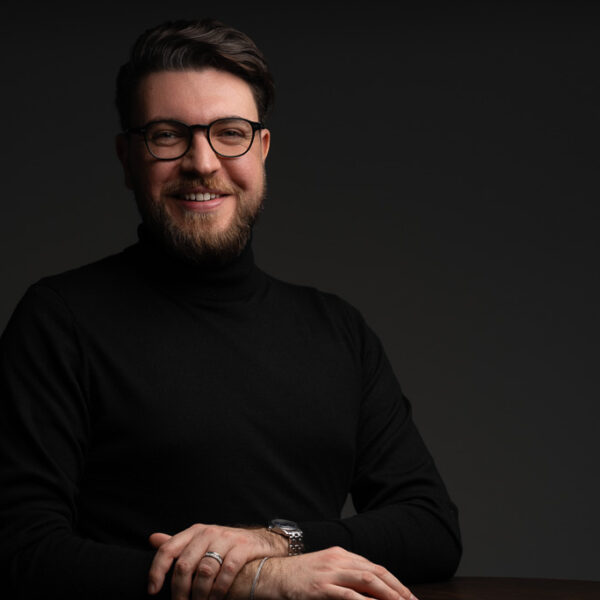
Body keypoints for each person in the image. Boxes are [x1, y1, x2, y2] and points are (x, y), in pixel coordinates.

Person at [0, 18, 461, 600]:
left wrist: (280, 542)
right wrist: (250, 581)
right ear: (127, 158)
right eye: (167, 135)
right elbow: (19, 551)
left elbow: (431, 528)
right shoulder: (58, 321)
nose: (203, 162)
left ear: (261, 149)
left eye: (230, 133)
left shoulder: (338, 330)